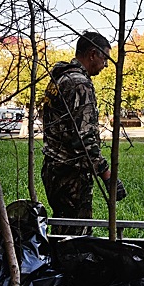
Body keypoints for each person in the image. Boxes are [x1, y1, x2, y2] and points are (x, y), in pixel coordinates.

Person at [41, 31, 126, 236]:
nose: (105, 64)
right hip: (71, 174)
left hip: (53, 169)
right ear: (92, 54)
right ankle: (68, 268)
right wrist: (108, 176)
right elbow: (84, 139)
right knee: (75, 237)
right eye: (104, 58)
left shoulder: (60, 77)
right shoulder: (80, 84)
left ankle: (57, 265)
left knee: (62, 228)